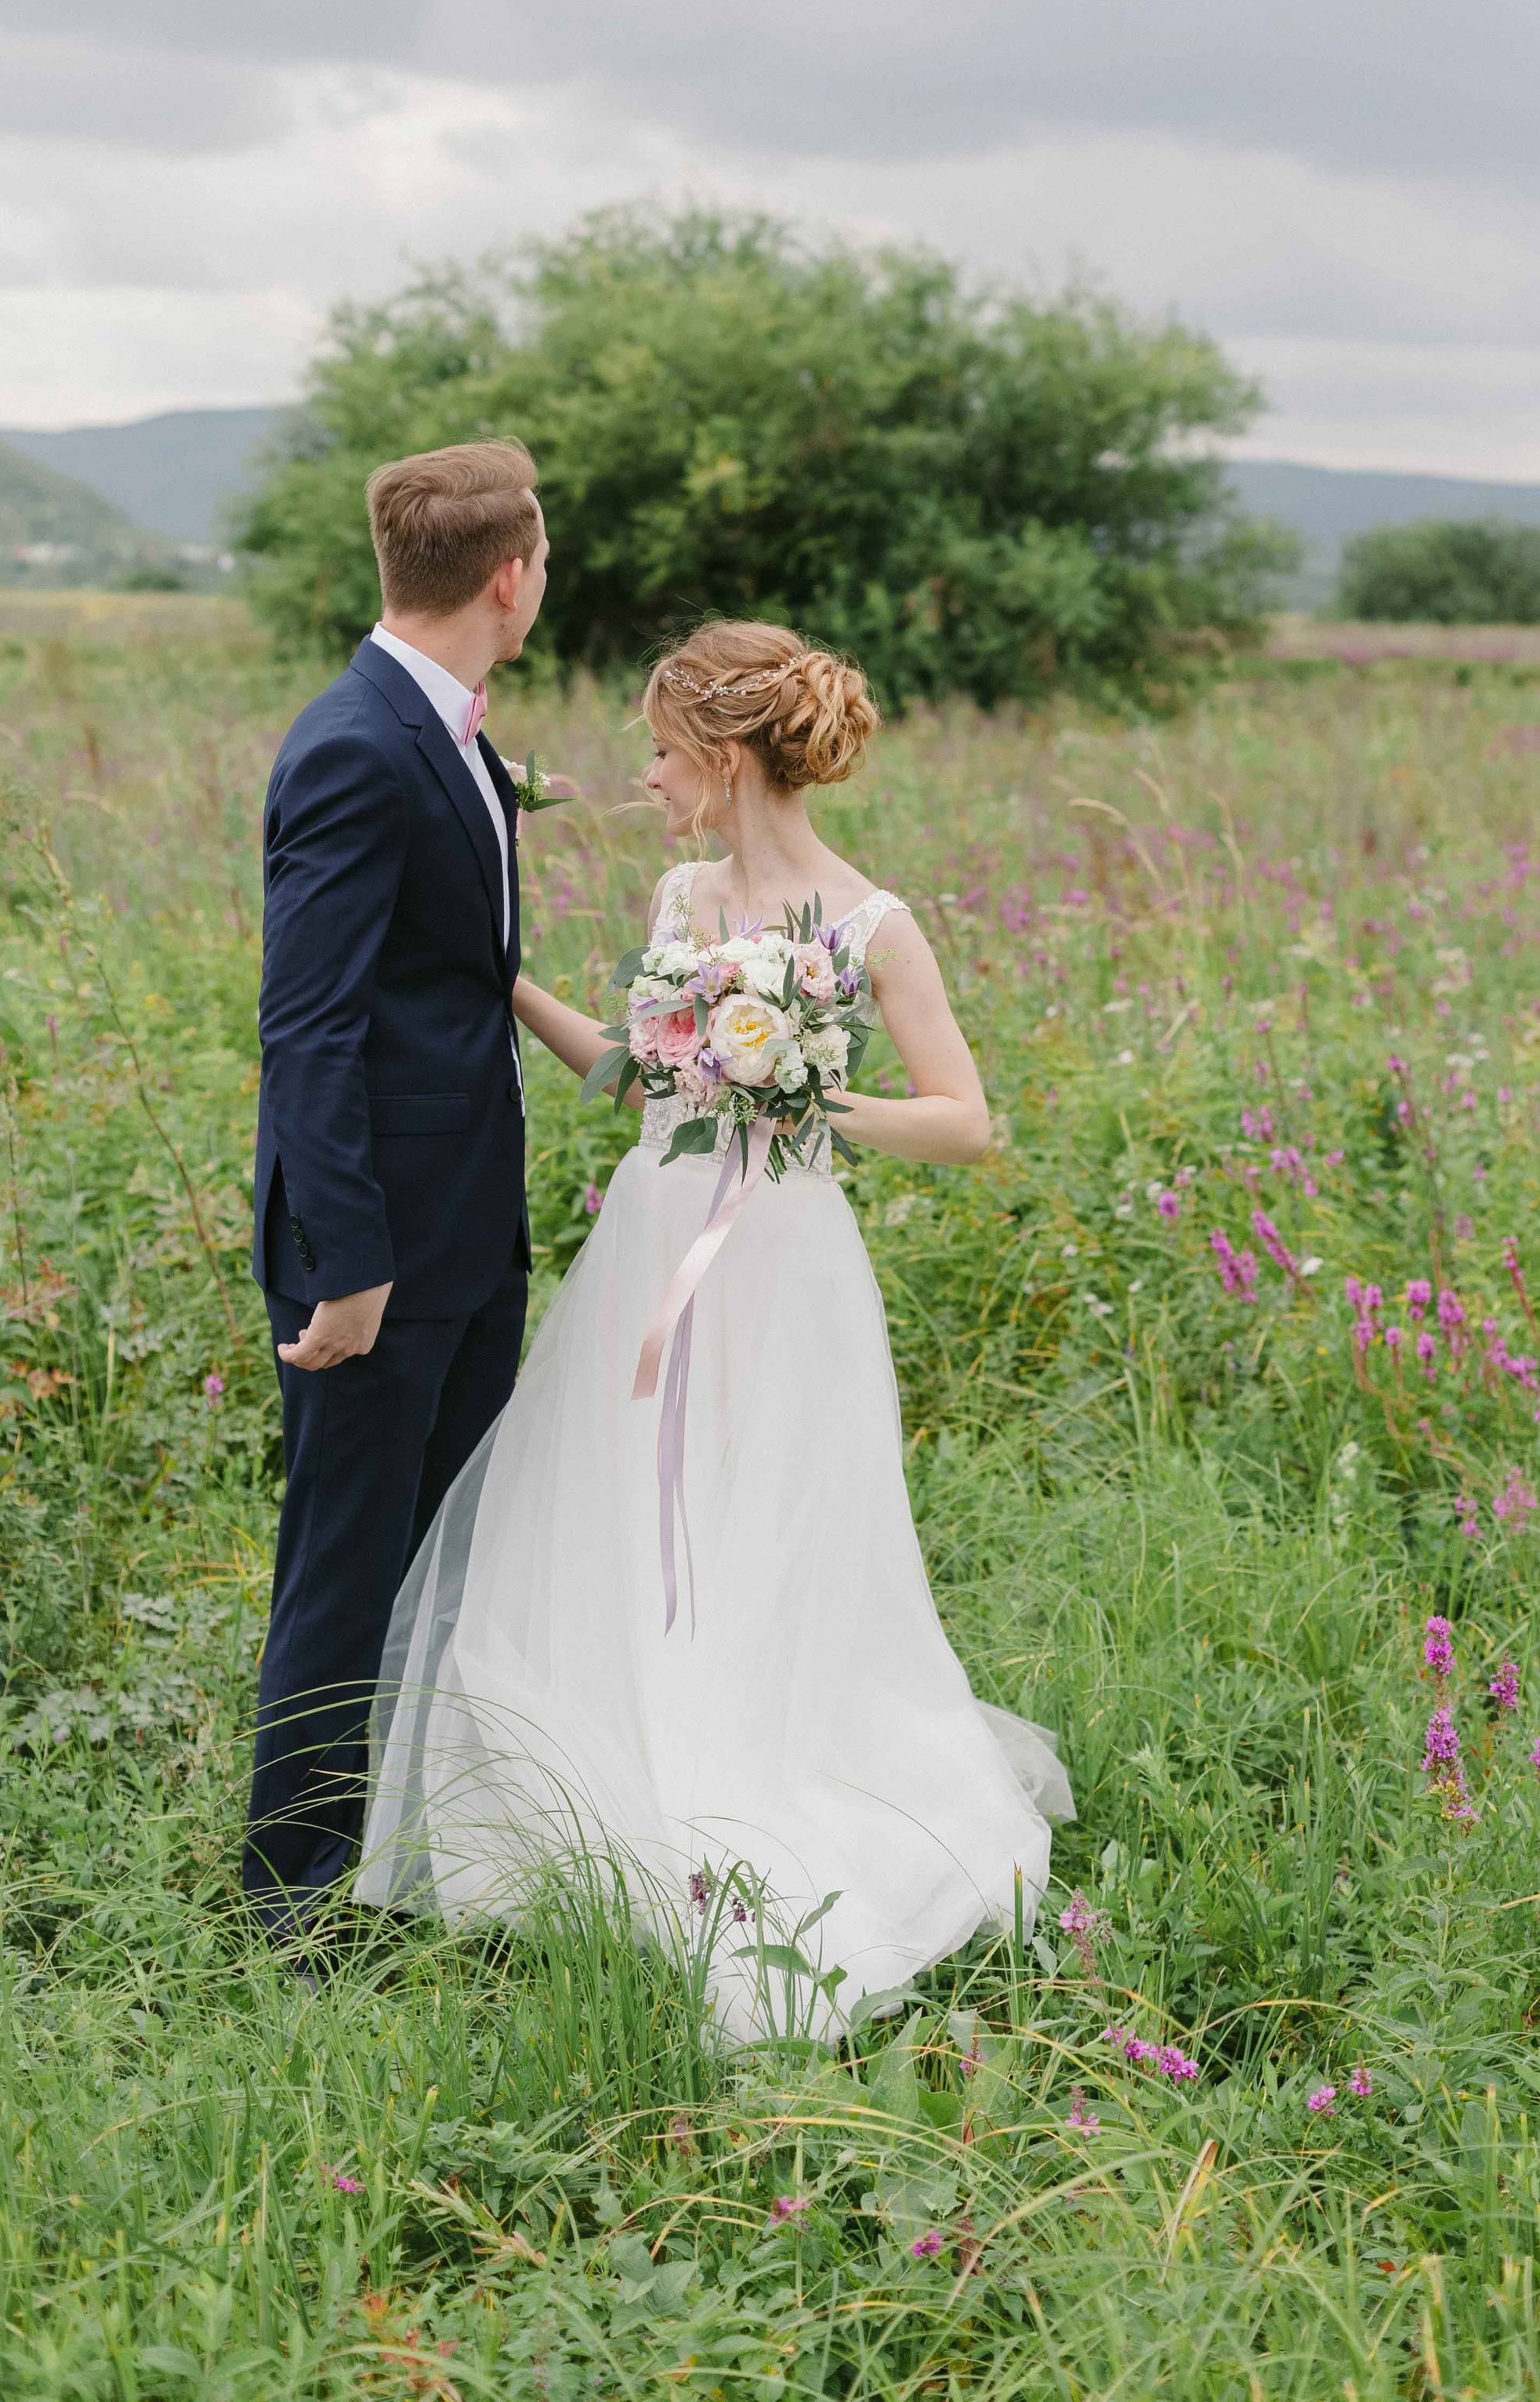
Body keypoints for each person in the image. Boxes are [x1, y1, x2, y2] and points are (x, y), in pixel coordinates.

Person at [357, 618, 1071, 2038]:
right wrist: (492, 977)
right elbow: (636, 1084)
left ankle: (764, 1781)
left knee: (767, 1523)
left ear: (729, 757)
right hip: (653, 1247)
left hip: (786, 1264)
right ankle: (612, 1777)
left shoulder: (872, 924)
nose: (646, 775)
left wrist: (807, 1097)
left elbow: (967, 1119)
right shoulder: (686, 898)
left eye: (665, 750)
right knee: (613, 1511)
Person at [245, 439, 549, 1941]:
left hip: (469, 1234)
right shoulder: (358, 743)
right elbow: (306, 1021)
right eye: (542, 557)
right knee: (349, 1573)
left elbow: (447, 973)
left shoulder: (454, 733)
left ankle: (408, 1862)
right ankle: (290, 1913)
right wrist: (348, 1261)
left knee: (447, 1563)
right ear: (512, 575)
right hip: (374, 1258)